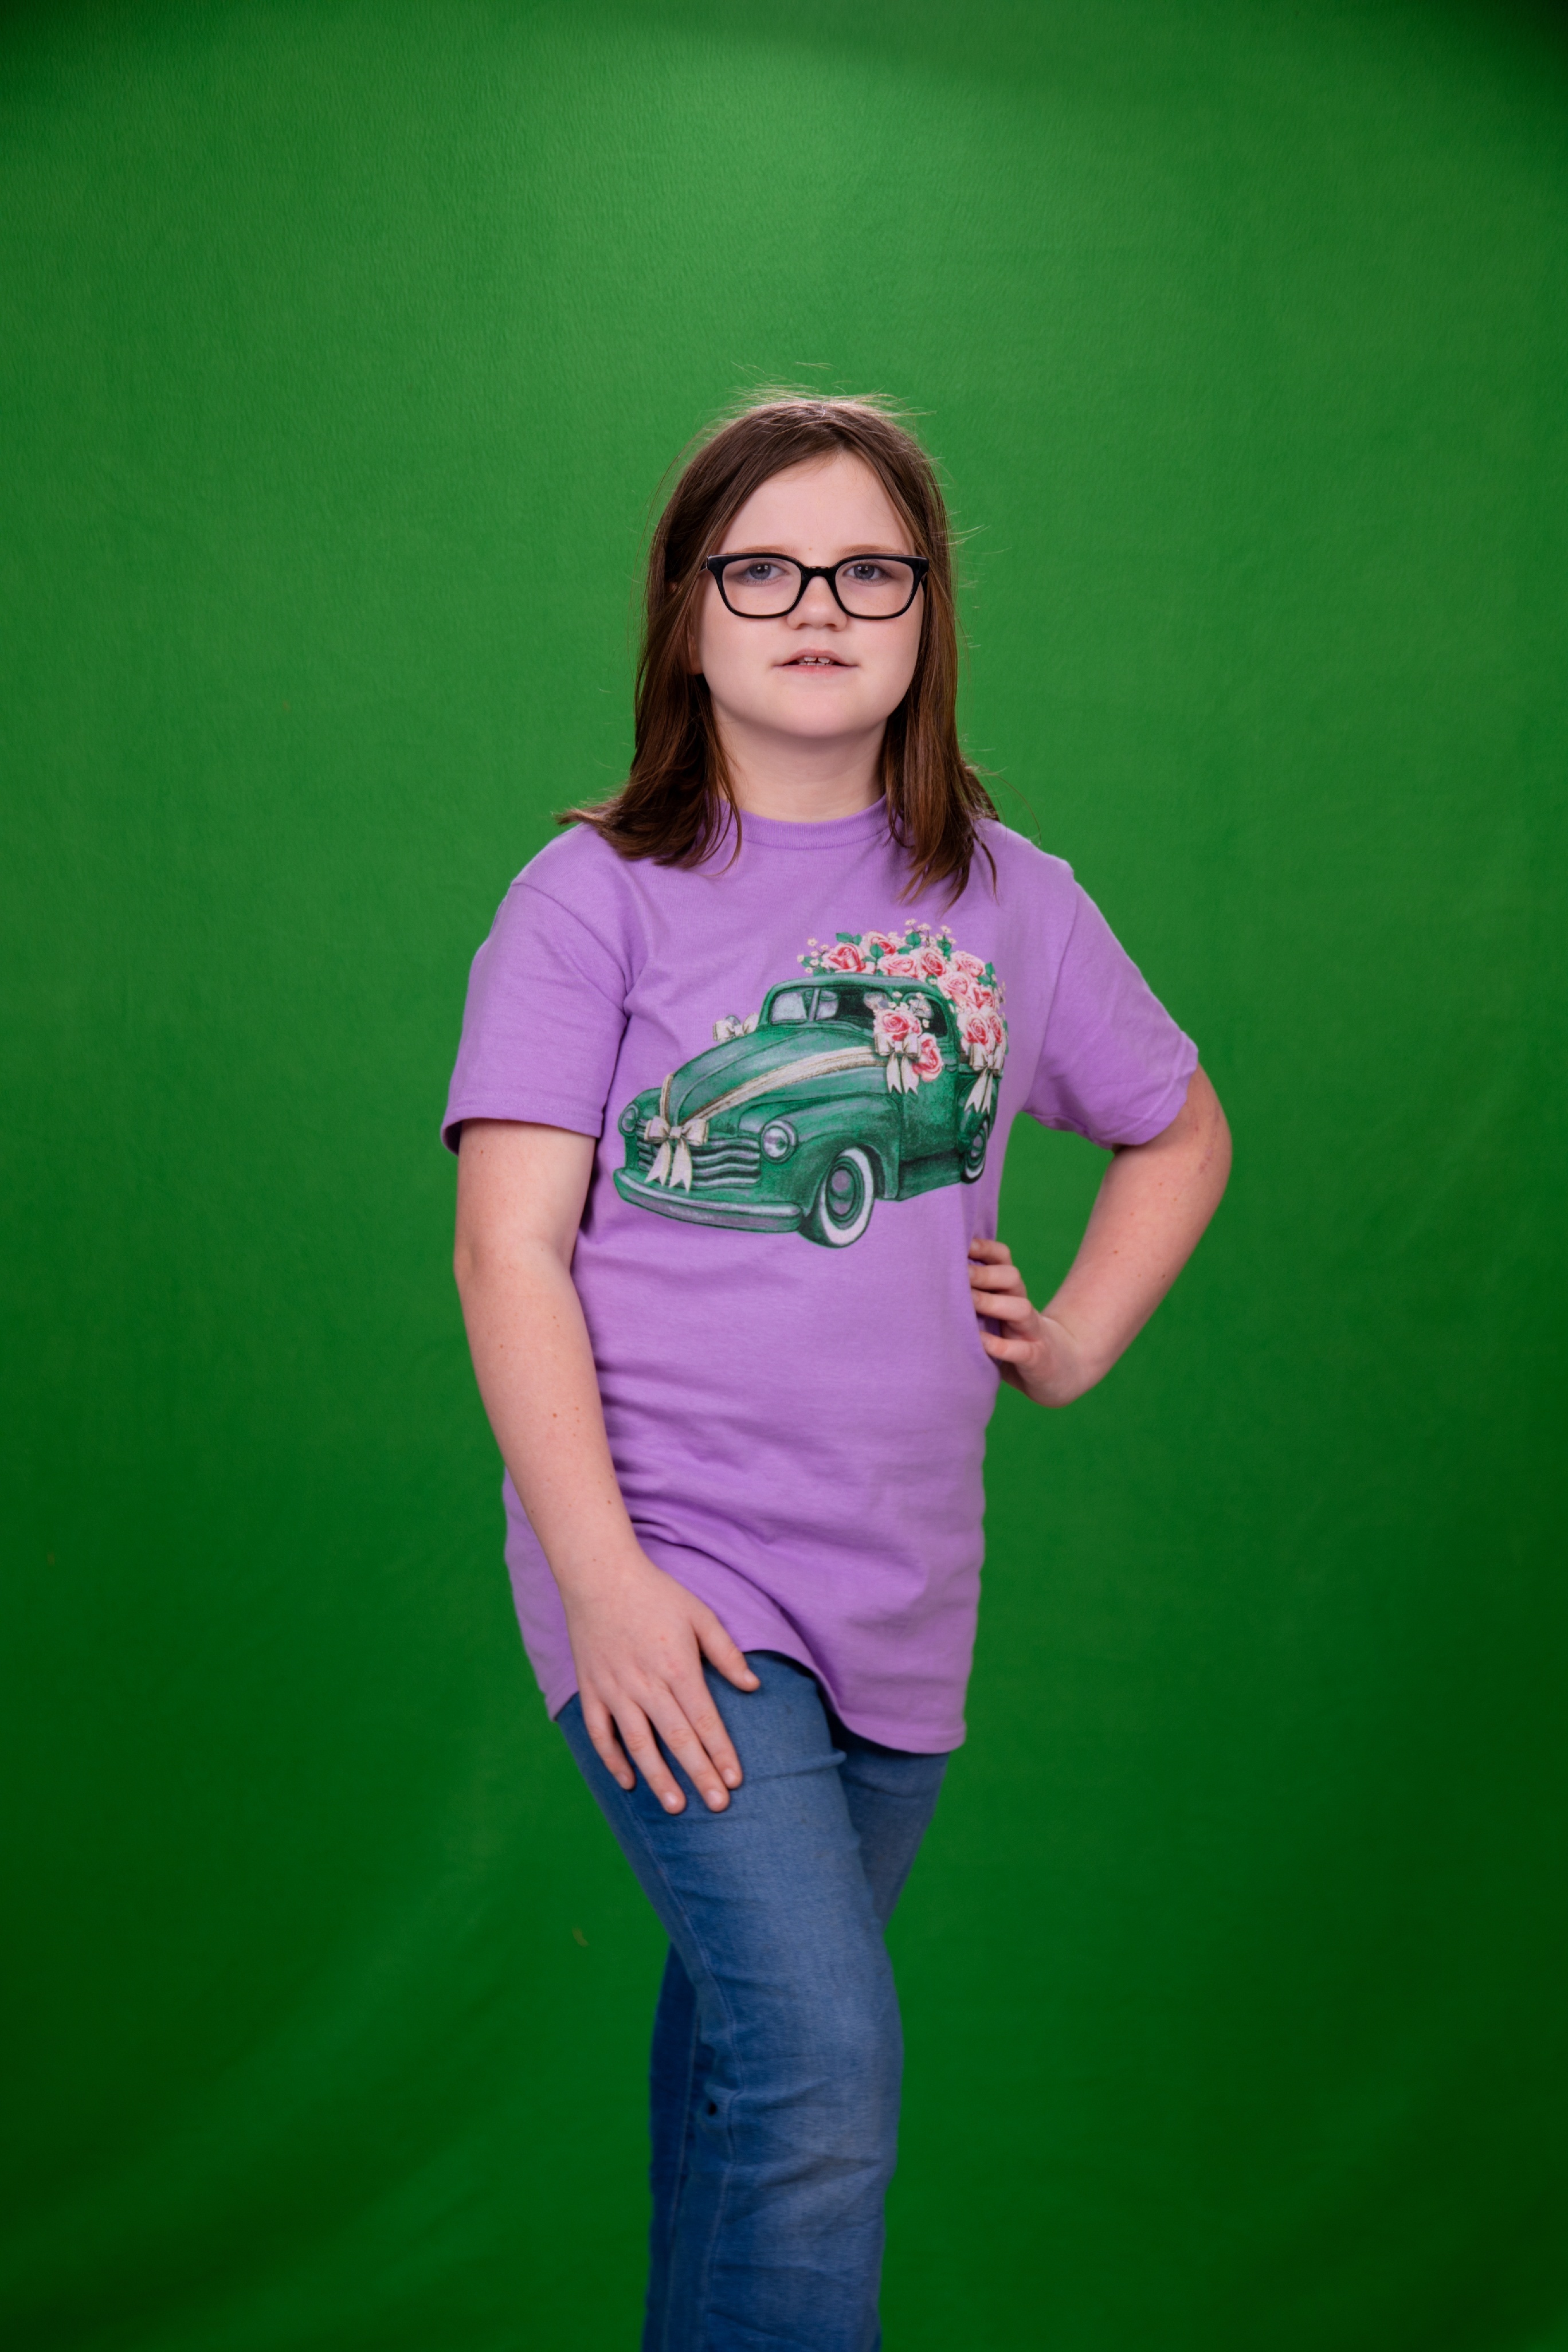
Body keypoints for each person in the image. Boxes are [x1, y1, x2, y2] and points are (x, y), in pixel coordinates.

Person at [444, 395, 1230, 2352]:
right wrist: (604, 1580)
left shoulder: (1014, 901)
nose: (818, 606)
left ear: (927, 611)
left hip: (902, 1587)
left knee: (749, 2065)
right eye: (765, 569)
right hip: (675, 1569)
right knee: (820, 2070)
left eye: (870, 569)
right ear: (687, 611)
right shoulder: (592, 896)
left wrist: (1073, 1338)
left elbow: (1178, 1125)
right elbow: (508, 1248)